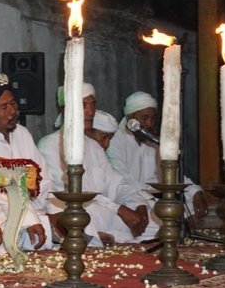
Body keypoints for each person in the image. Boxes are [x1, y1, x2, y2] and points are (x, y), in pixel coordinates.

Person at [38, 83, 157, 244]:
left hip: (104, 213)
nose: (90, 111)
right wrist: (120, 210)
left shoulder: (94, 146)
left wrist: (138, 205)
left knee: (154, 220)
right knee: (86, 215)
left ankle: (103, 237)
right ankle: (102, 237)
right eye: (83, 105)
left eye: (92, 105)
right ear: (66, 110)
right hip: (77, 213)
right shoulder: (49, 145)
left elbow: (117, 183)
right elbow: (67, 195)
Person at [0, 73, 61, 255]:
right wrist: (30, 216)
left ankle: (51, 230)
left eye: (13, 103)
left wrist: (46, 210)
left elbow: (43, 175)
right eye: (4, 107)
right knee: (2, 229)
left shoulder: (22, 133)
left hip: (35, 206)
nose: (13, 111)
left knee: (73, 213)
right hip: (3, 210)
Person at [106, 91, 208, 224]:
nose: (149, 123)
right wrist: (153, 199)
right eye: (144, 118)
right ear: (130, 118)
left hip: (156, 198)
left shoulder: (154, 141)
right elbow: (123, 179)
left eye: (153, 118)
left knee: (190, 206)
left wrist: (195, 192)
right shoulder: (115, 140)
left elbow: (173, 173)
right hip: (131, 199)